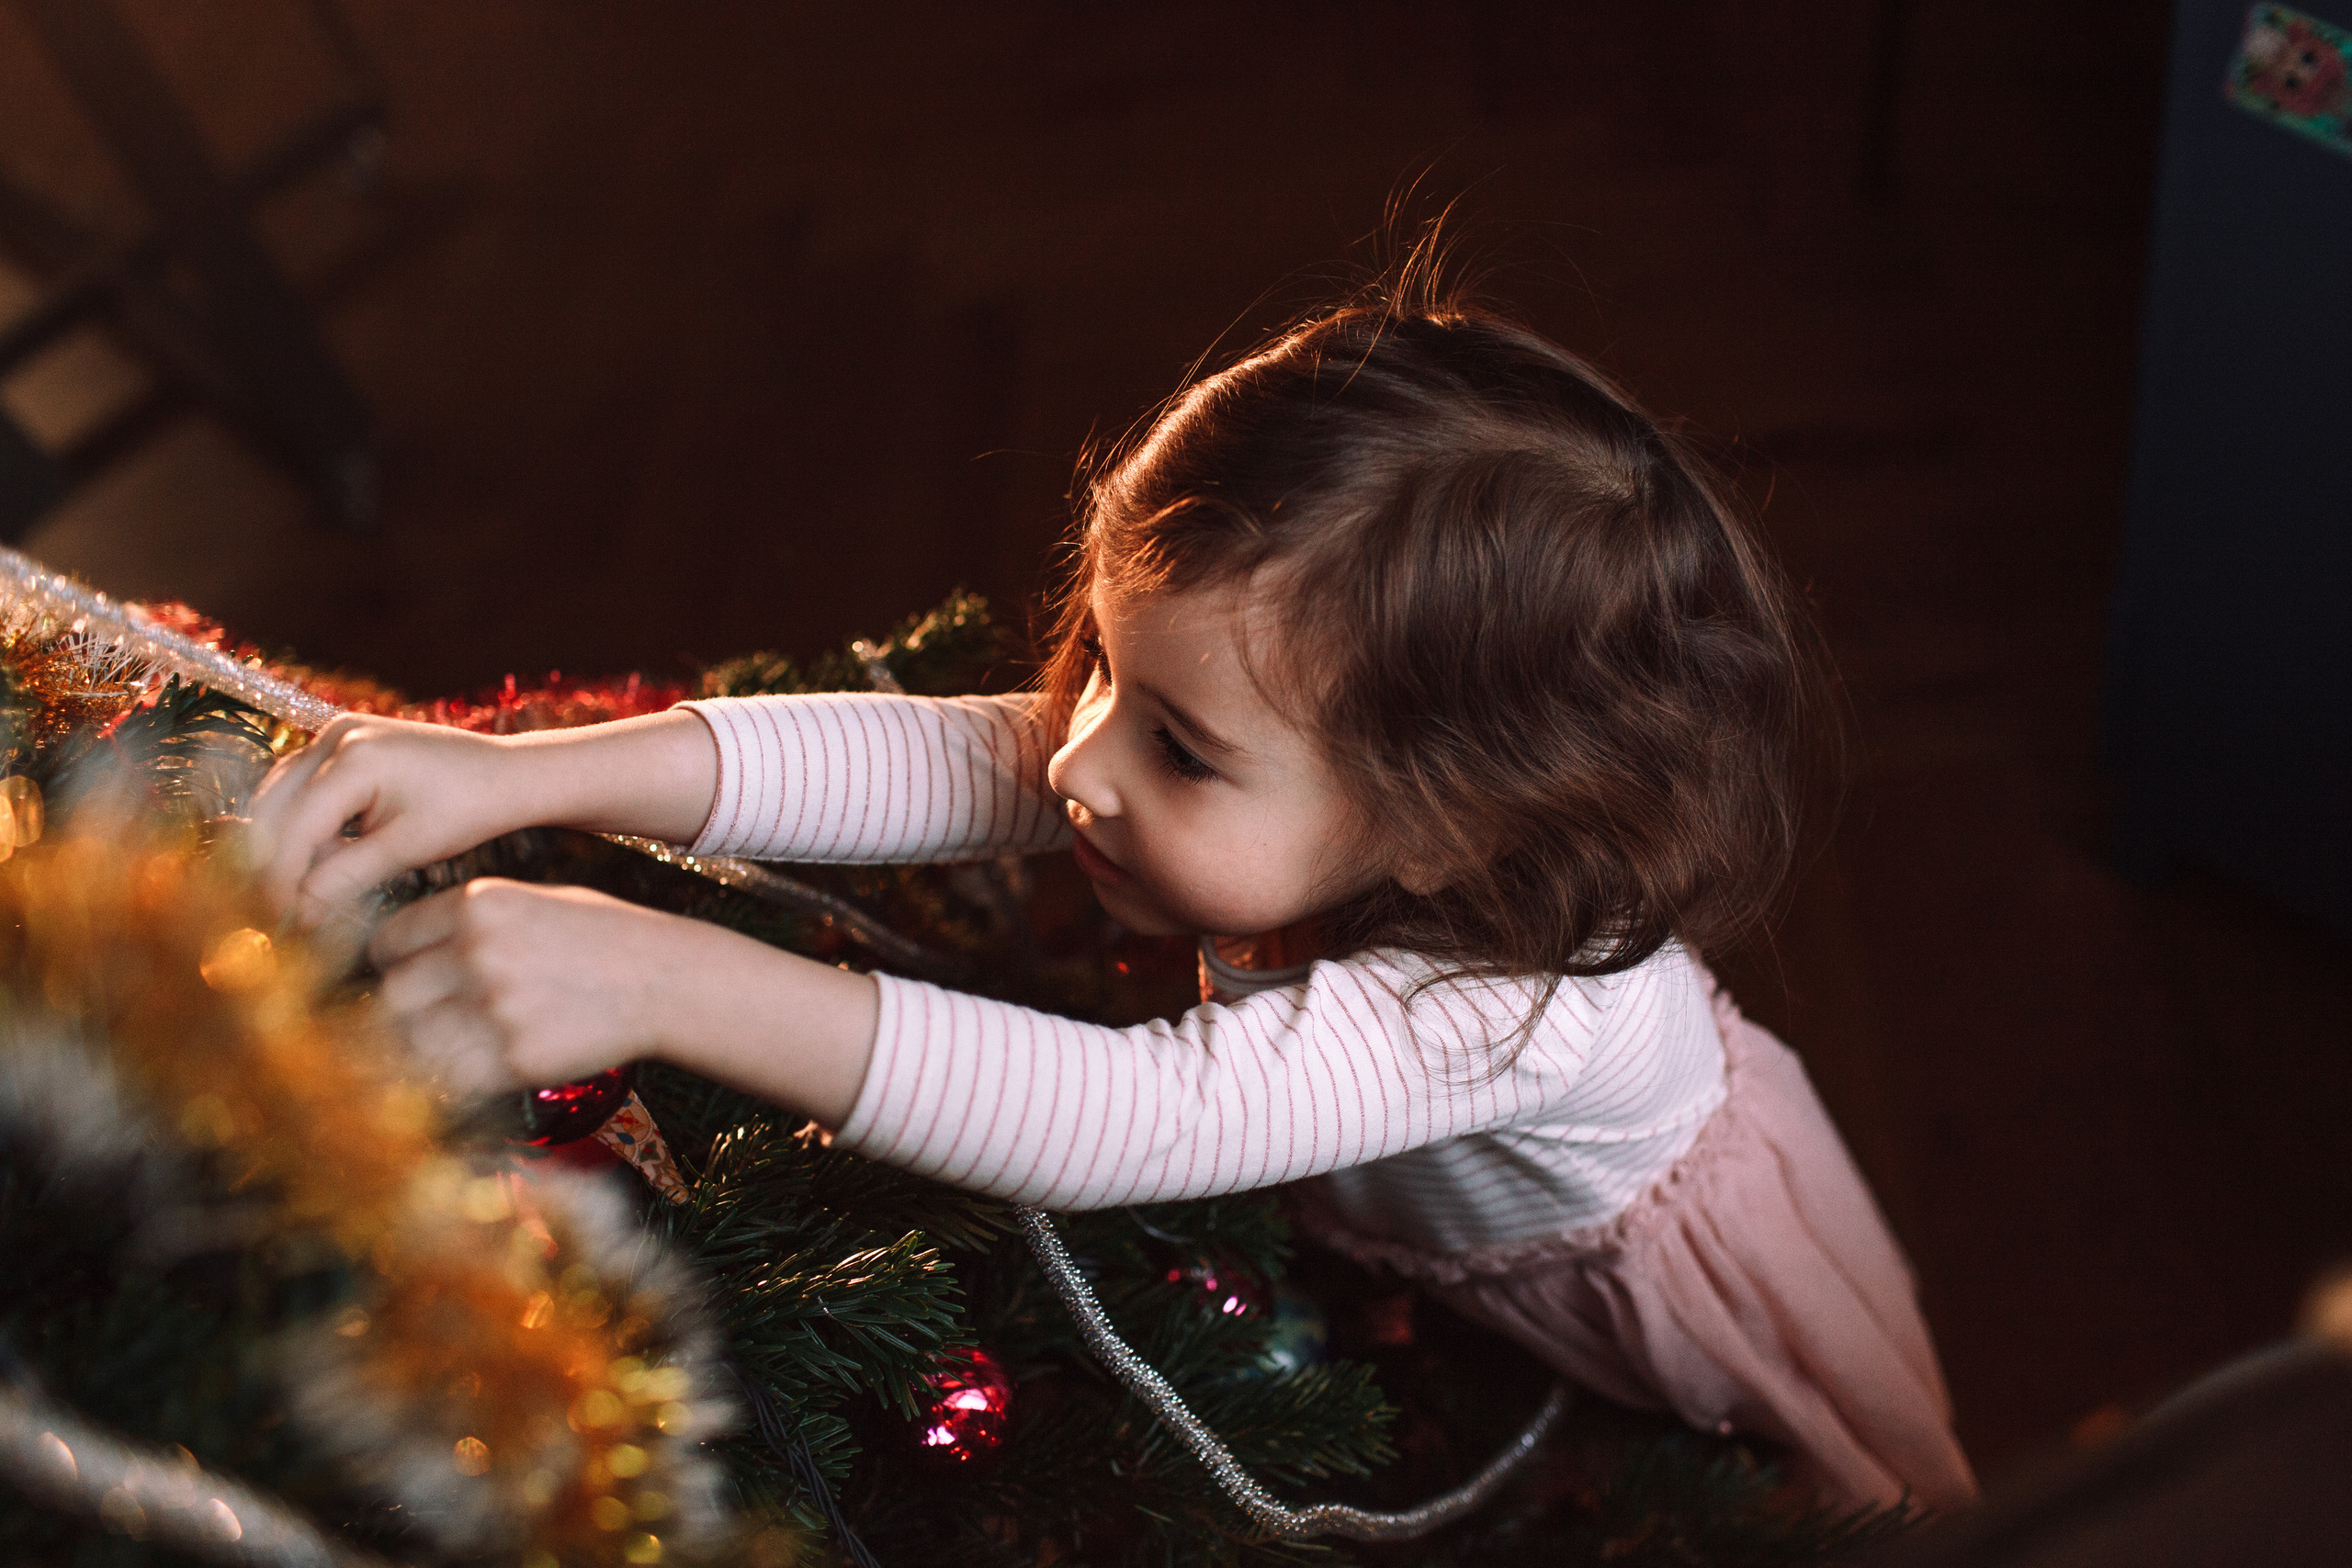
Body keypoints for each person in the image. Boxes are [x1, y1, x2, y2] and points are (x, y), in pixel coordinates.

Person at [248, 276, 1976, 1512]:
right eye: (1105, 678)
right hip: (1423, 1211)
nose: (1076, 757)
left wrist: (658, 980)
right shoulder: (1264, 762)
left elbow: (1124, 1118)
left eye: (1179, 748)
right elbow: (940, 759)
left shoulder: (1516, 1005)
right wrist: (520, 774)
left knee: (1842, 1493)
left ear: (1456, 825)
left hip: (1666, 1284)